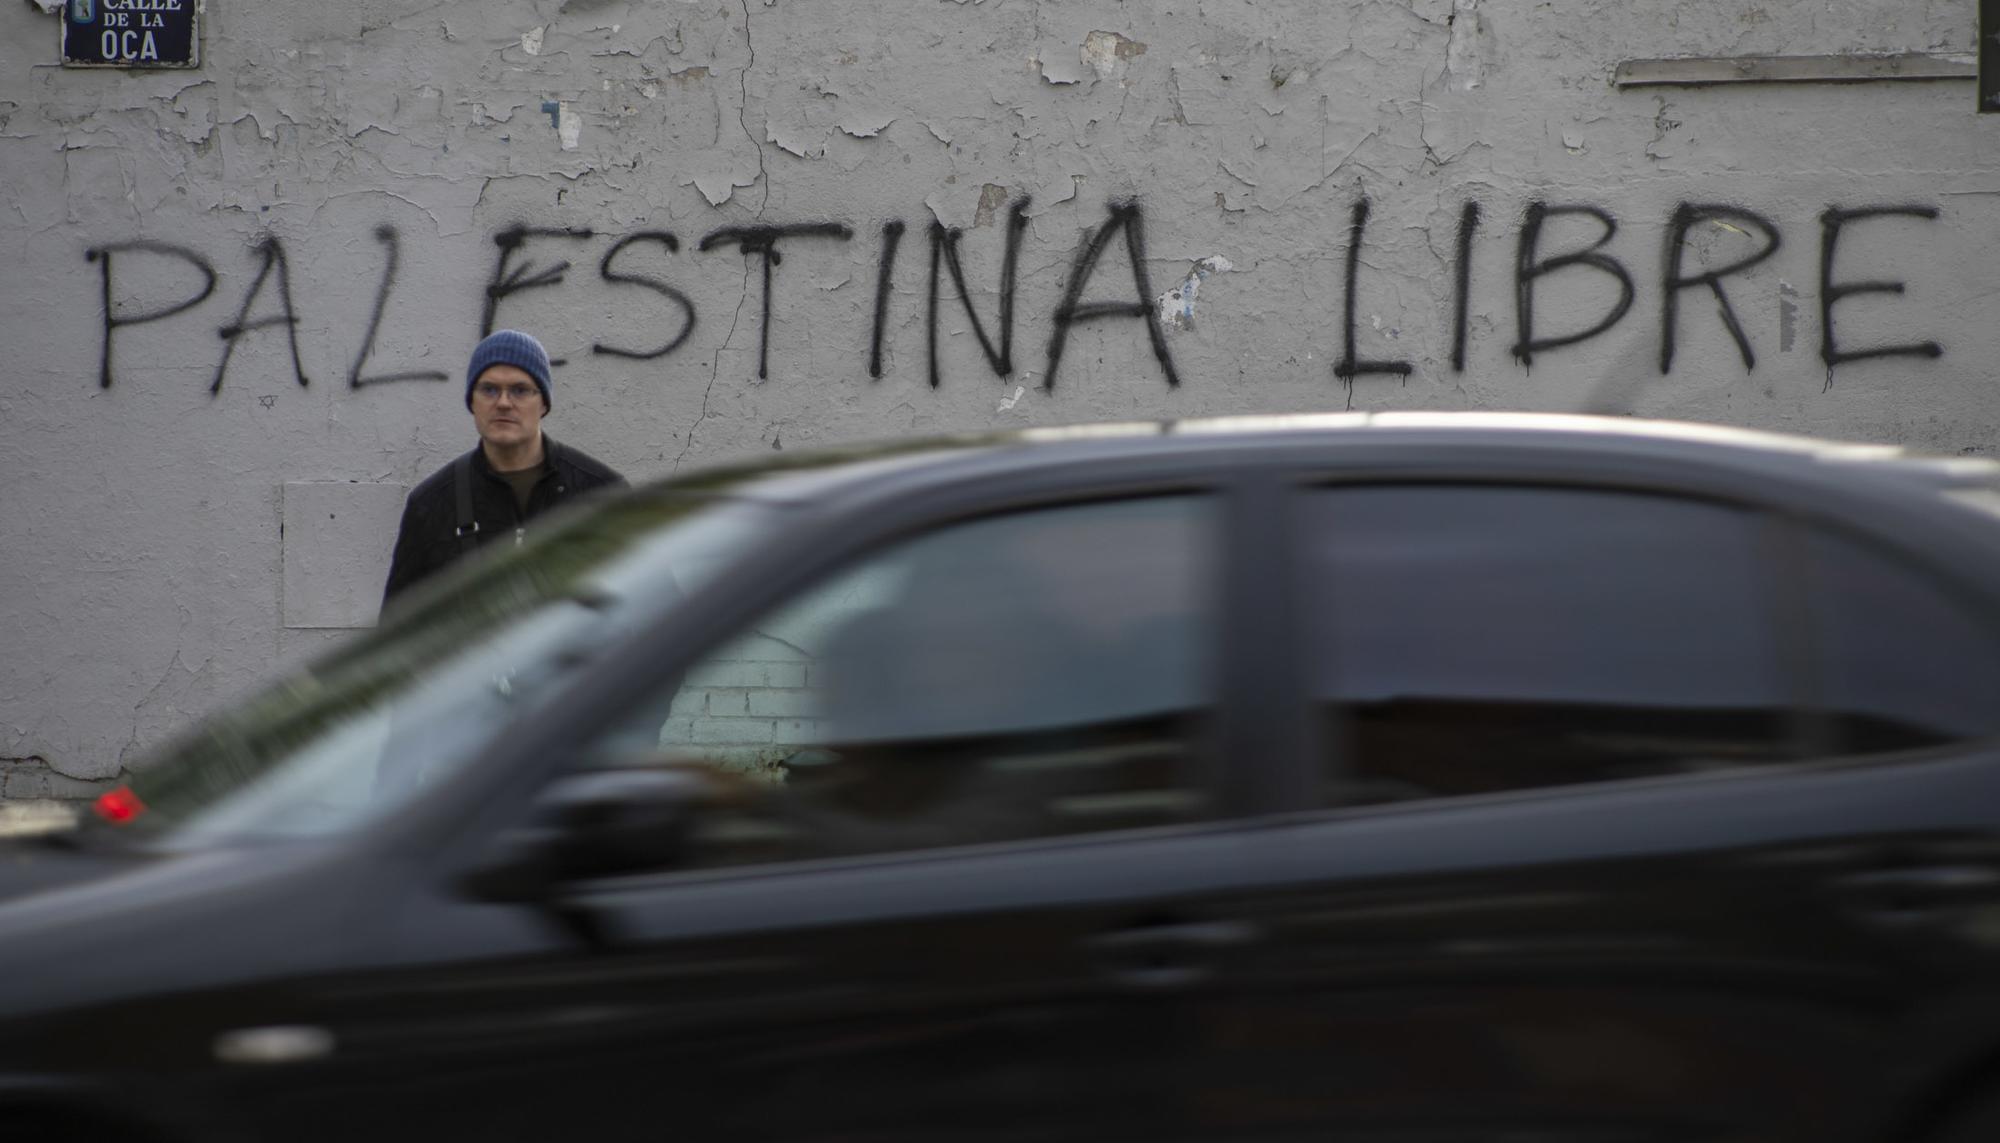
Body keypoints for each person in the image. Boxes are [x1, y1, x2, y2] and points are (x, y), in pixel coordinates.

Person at [380, 330, 628, 608]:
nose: (503, 403)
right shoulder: (431, 503)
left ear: (543, 403)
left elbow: (635, 608)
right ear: (472, 402)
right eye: (489, 389)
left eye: (520, 390)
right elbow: (400, 628)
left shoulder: (600, 492)